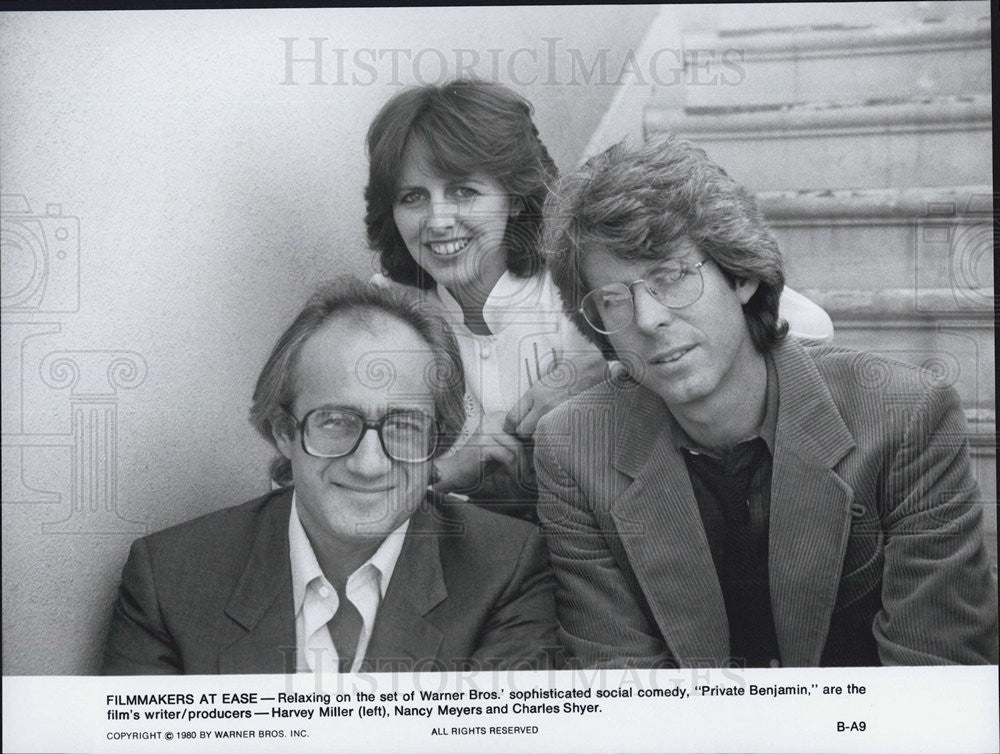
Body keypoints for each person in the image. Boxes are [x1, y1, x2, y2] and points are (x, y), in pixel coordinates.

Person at [534, 134, 997, 667]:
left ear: (743, 275)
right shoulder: (574, 447)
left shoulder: (906, 418)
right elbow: (620, 682)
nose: (648, 319)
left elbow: (934, 679)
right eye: (614, 300)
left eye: (671, 277)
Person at [364, 79, 833, 518]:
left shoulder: (585, 276)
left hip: (620, 538)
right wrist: (452, 467)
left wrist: (614, 365)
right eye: (413, 198)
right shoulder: (388, 313)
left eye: (463, 191)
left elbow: (810, 325)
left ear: (513, 195)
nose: (438, 220)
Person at [102, 278, 558, 674]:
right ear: (284, 431)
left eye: (404, 427)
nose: (369, 464)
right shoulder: (169, 580)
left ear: (437, 439)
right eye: (337, 422)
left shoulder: (506, 571)